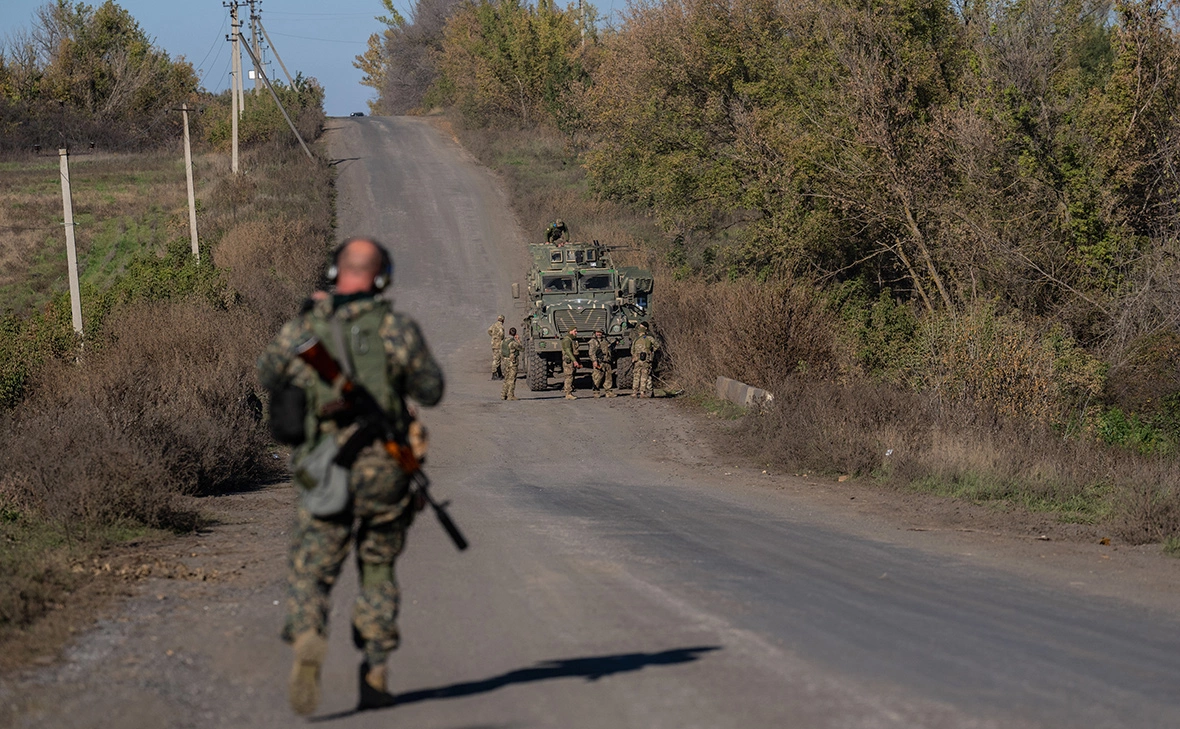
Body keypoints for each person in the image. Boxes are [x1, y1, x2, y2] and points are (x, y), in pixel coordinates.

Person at [256, 238, 445, 716]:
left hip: (326, 467)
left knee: (312, 569)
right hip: (386, 468)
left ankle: (307, 636)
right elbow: (432, 388)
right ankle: (376, 669)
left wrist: (306, 317)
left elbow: (268, 370)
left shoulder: (307, 327)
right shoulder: (397, 329)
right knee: (378, 570)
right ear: (382, 279)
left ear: (335, 273)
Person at [631, 323, 659, 398]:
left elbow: (632, 351)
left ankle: (634, 392)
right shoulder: (649, 338)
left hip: (637, 360)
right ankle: (642, 392)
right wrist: (651, 351)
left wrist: (635, 356)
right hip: (646, 360)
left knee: (636, 376)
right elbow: (657, 345)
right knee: (644, 376)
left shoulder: (635, 340)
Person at [588, 329, 616, 398]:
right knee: (597, 377)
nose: (599, 334)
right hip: (599, 361)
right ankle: (596, 391)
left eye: (600, 332)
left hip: (607, 360)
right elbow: (591, 352)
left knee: (608, 377)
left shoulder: (605, 340)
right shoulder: (593, 341)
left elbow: (609, 347)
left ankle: (608, 391)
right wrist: (594, 361)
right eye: (597, 332)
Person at [501, 327, 522, 401]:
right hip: (512, 362)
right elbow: (522, 348)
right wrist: (518, 340)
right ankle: (510, 395)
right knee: (512, 379)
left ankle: (503, 395)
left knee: (506, 378)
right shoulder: (513, 343)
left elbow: (501, 352)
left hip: (506, 361)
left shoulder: (504, 341)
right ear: (515, 334)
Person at [561, 327, 580, 400]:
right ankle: (568, 393)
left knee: (571, 375)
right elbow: (568, 351)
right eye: (575, 331)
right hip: (568, 361)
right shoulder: (567, 340)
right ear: (570, 331)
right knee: (569, 376)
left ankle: (569, 392)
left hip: (571, 360)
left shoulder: (572, 340)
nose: (576, 333)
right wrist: (574, 360)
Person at [488, 315, 505, 380]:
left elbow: (489, 330)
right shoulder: (501, 326)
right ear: (503, 320)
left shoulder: (494, 325)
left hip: (493, 344)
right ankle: (494, 374)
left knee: (497, 359)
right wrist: (500, 339)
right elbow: (501, 334)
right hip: (498, 344)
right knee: (496, 360)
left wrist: (493, 336)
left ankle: (499, 374)